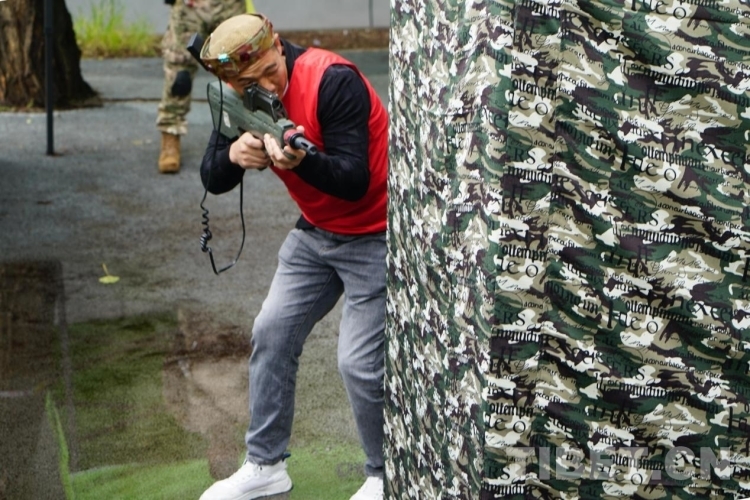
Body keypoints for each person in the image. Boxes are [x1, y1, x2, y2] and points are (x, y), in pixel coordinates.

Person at [197, 13, 388, 500]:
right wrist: (234, 155)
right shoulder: (235, 94)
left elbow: (354, 181)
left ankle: (385, 473)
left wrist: (304, 161)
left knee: (357, 363)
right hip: (316, 231)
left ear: (278, 45)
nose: (265, 87)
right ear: (230, 83)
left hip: (377, 230)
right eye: (249, 83)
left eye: (269, 71)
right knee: (271, 333)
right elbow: (211, 177)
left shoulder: (333, 80)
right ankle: (265, 465)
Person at [156, 0, 245, 174]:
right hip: (189, 8)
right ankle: (170, 133)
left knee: (238, 64)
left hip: (229, 5)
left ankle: (243, 133)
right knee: (180, 74)